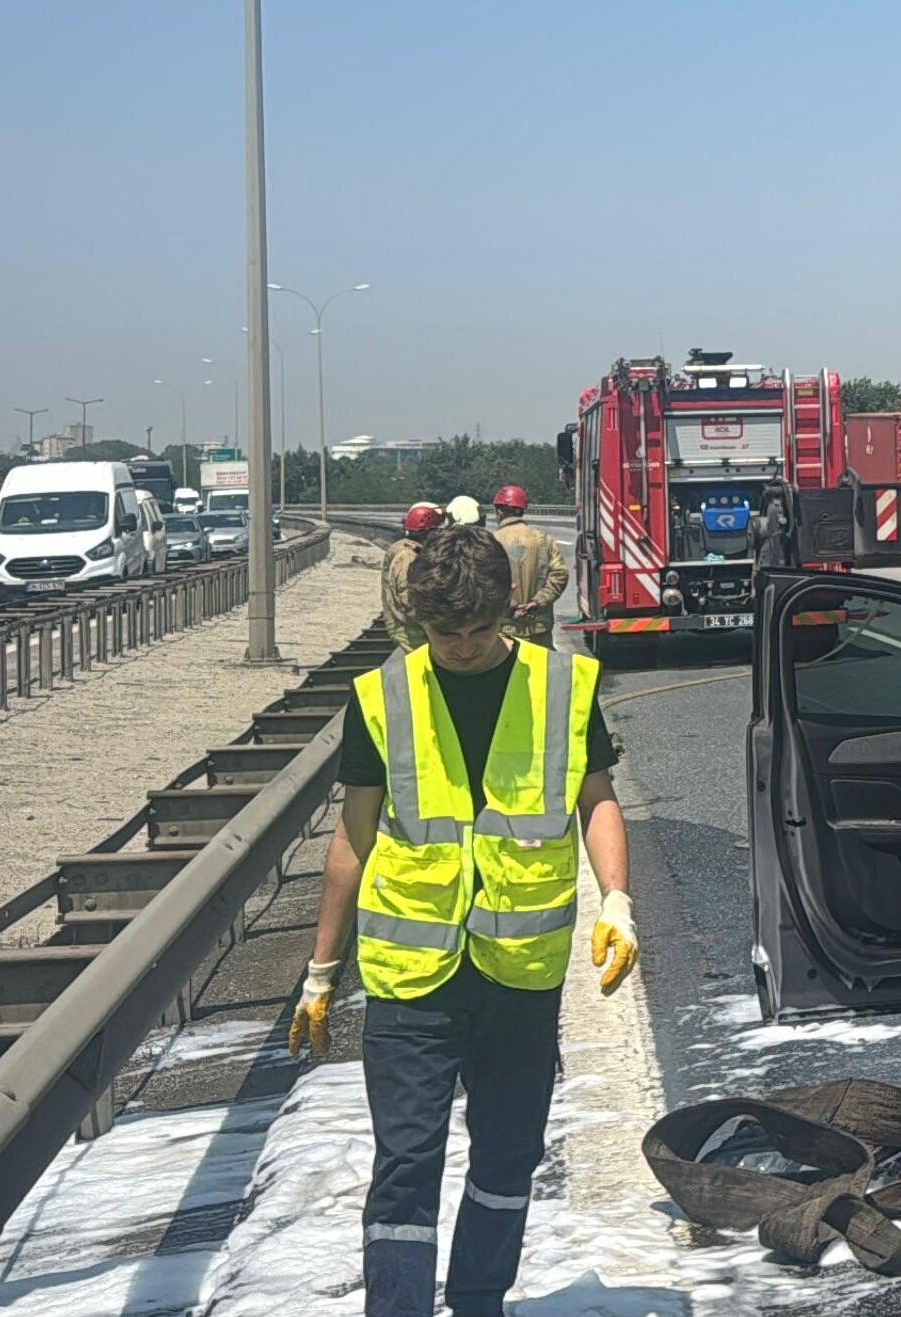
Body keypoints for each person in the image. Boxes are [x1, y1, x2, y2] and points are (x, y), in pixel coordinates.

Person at [289, 525, 640, 1317]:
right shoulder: (382, 697)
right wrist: (320, 970)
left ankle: (481, 1300)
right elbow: (352, 838)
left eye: (480, 629)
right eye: (446, 631)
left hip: (521, 970)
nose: (464, 645)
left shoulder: (563, 686)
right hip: (411, 978)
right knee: (406, 1163)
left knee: (508, 1156)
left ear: (510, 610)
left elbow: (598, 799)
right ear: (420, 619)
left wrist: (616, 897)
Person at [490, 485, 567, 647]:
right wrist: (537, 602)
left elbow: (484, 583)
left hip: (504, 628)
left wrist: (510, 607)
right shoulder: (543, 540)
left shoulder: (491, 542)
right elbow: (560, 574)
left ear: (500, 512)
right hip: (538, 626)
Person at [379, 502, 442, 649]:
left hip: (411, 628)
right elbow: (409, 600)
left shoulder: (407, 550)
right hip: (411, 634)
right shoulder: (407, 557)